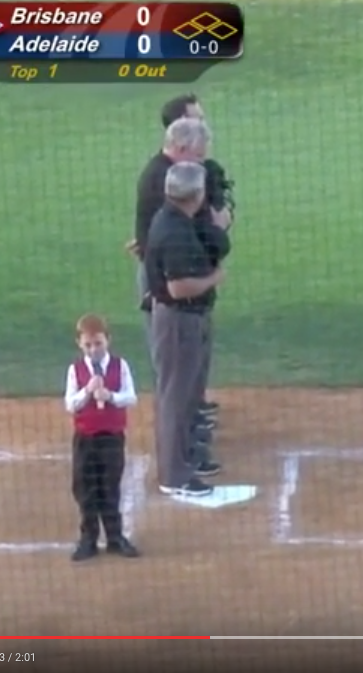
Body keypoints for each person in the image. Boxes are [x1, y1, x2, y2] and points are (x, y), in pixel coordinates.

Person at [131, 117, 229, 478]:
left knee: (185, 390)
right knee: (175, 393)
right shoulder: (172, 227)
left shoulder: (174, 220)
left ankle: (187, 455)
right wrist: (214, 277)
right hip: (175, 315)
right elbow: (176, 287)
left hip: (185, 313)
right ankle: (175, 472)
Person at [62, 313, 140, 561]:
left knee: (110, 487)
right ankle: (89, 539)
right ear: (79, 344)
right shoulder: (75, 370)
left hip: (112, 438)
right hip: (85, 438)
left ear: (108, 340)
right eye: (88, 345)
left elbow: (131, 397)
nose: (93, 349)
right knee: (85, 488)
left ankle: (115, 538)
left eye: (98, 343)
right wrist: (87, 391)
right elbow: (70, 404)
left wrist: (111, 396)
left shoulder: (121, 366)